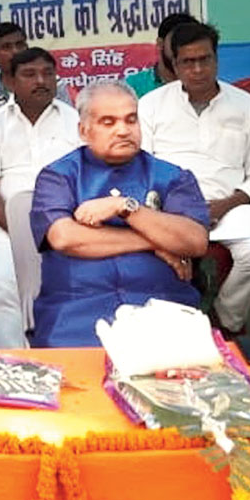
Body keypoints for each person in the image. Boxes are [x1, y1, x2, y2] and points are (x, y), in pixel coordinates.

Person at [30, 81, 210, 347]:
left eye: (131, 120)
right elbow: (64, 237)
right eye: (108, 122)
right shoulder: (58, 176)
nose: (123, 130)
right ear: (84, 131)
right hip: (77, 314)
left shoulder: (172, 177)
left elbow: (195, 241)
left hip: (163, 310)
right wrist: (155, 242)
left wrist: (125, 208)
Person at [139, 21, 250, 335]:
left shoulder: (246, 105)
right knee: (148, 256)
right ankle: (171, 330)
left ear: (216, 59)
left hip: (228, 205)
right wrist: (161, 211)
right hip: (171, 208)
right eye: (188, 61)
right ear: (173, 64)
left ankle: (224, 320)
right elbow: (143, 170)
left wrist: (227, 204)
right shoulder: (151, 106)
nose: (198, 69)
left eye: (205, 59)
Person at [0, 47, 81, 346]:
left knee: (79, 286)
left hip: (70, 226)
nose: (41, 81)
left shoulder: (77, 122)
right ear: (12, 83)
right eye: (30, 75)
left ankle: (69, 356)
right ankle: (10, 364)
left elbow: (89, 178)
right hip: (9, 229)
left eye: (48, 74)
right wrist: (19, 230)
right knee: (2, 287)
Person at [0, 22, 75, 128]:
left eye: (20, 45)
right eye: (6, 47)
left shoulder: (52, 83)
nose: (15, 51)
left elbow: (70, 125)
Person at [123, 12, 197, 99]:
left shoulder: (204, 84)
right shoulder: (132, 87)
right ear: (160, 44)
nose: (184, 51)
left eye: (190, 44)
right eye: (177, 43)